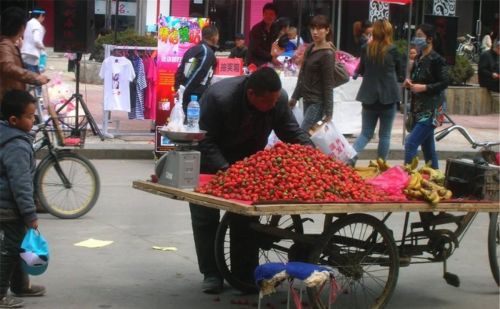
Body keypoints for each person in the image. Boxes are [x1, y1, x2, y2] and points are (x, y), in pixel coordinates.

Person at [190, 67, 313, 294]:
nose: (272, 104)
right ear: (251, 95)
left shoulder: (277, 100)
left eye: (275, 100)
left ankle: (244, 274)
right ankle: (211, 273)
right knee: (205, 216)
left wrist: (310, 152)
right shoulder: (220, 98)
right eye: (267, 101)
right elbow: (204, 139)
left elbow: (291, 131)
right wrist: (227, 170)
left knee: (245, 219)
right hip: (209, 158)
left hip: (246, 159)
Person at [0, 90, 47, 309]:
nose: (33, 120)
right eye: (29, 116)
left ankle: (20, 286)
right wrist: (30, 214)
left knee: (20, 246)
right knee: (10, 250)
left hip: (9, 206)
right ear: (13, 120)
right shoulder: (16, 145)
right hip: (8, 208)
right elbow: (20, 185)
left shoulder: (9, 135)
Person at [351, 20, 402, 162]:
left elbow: (361, 70)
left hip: (368, 96)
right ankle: (381, 166)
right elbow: (400, 73)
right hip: (389, 97)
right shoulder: (393, 50)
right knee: (385, 135)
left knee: (365, 133)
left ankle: (350, 158)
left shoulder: (366, 49)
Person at [404, 23, 449, 169]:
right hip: (418, 107)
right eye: (415, 36)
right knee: (428, 148)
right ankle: (436, 177)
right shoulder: (418, 58)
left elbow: (444, 82)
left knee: (410, 143)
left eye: (419, 36)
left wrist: (424, 87)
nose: (416, 39)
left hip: (432, 109)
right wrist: (410, 83)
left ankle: (405, 178)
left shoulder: (437, 59)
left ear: (429, 39)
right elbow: (418, 79)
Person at [289, 15, 337, 132]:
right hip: (306, 99)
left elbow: (328, 83)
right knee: (310, 136)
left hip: (317, 101)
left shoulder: (328, 53)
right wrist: (295, 96)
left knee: (304, 134)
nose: (315, 32)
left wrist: (329, 112)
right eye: (312, 28)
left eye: (319, 28)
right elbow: (302, 75)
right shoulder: (310, 47)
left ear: (327, 30)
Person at [0, 7, 49, 104]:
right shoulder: (5, 45)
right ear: (22, 28)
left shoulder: (9, 43)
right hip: (7, 101)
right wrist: (34, 77)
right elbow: (8, 67)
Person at [174, 26, 219, 114]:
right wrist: (182, 91)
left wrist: (179, 89)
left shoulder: (192, 50)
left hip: (187, 94)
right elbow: (199, 73)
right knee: (193, 123)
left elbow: (180, 71)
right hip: (196, 96)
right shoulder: (207, 52)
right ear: (214, 38)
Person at [247, 3, 280, 67]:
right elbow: (256, 49)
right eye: (266, 14)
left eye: (271, 14)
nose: (268, 16)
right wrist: (271, 58)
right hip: (254, 64)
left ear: (275, 17)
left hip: (266, 63)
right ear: (263, 14)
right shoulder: (256, 29)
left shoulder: (274, 29)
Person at [21, 7, 46, 89]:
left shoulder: (28, 23)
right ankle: (37, 97)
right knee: (36, 78)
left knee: (28, 76)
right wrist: (42, 47)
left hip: (24, 52)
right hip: (32, 54)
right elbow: (36, 40)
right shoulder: (37, 25)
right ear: (41, 15)